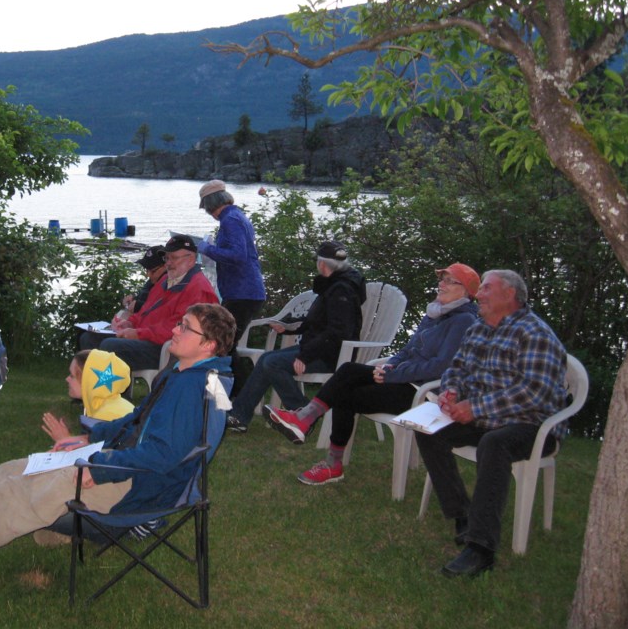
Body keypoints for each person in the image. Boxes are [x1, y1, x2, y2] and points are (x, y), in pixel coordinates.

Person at [0, 303, 237, 577]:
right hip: (121, 466)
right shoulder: (182, 373)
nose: (175, 330)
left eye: (185, 328)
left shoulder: (194, 389)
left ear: (208, 346)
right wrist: (87, 438)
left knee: (13, 497)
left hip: (135, 490)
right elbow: (136, 420)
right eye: (180, 323)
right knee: (9, 472)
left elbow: (165, 456)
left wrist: (99, 468)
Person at [266, 263, 480, 486]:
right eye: (441, 279)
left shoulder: (464, 321)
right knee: (348, 370)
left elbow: (440, 366)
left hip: (425, 393)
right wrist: (390, 366)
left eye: (448, 280)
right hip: (404, 379)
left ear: (465, 290)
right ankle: (306, 421)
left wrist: (393, 375)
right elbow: (408, 350)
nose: (441, 284)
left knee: (344, 394)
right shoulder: (435, 314)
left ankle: (331, 462)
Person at [415, 269, 567, 578]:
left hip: (533, 424)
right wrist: (452, 392)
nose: (479, 294)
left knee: (494, 443)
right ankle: (464, 516)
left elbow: (534, 394)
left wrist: (476, 407)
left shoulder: (534, 333)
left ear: (509, 295)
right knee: (430, 431)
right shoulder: (479, 328)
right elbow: (456, 367)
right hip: (485, 415)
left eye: (485, 288)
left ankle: (481, 548)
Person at [226, 240, 366, 432]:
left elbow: (337, 332)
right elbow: (319, 322)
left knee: (272, 363)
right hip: (320, 349)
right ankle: (239, 416)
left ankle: (304, 415)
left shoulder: (341, 290)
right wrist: (289, 329)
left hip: (332, 355)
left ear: (322, 264)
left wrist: (305, 356)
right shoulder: (334, 285)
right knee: (267, 358)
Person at [79, 235, 218, 371]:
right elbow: (145, 311)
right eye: (167, 258)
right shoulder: (166, 281)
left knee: (111, 346)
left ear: (191, 260)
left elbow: (179, 330)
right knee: (89, 338)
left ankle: (111, 392)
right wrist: (129, 323)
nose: (168, 263)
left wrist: (139, 333)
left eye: (174, 258)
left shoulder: (197, 288)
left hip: (167, 349)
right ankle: (90, 390)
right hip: (147, 338)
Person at [196, 180, 266, 396]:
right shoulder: (236, 217)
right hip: (243, 290)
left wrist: (206, 248)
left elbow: (238, 255)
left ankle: (242, 393)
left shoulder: (230, 221)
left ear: (210, 203)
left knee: (223, 343)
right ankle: (239, 393)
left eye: (206, 208)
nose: (208, 213)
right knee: (225, 343)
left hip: (242, 291)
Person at [40, 348, 135, 444]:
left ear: (89, 381)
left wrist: (65, 440)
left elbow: (98, 455)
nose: (67, 379)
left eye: (72, 376)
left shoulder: (105, 416)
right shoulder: (112, 406)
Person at [121, 245, 167, 315]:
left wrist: (139, 307)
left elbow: (164, 311)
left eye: (153, 271)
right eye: (146, 270)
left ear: (166, 266)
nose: (148, 275)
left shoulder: (170, 286)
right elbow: (144, 297)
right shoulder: (152, 281)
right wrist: (132, 300)